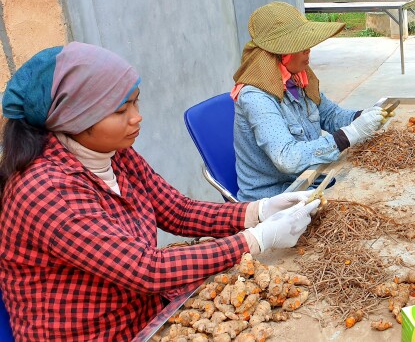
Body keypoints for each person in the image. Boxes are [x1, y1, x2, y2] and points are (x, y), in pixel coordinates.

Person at [0, 43, 318, 341]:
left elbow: (177, 211)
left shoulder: (112, 152)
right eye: (120, 110)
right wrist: (256, 239)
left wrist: (257, 210)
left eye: (135, 101)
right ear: (76, 119)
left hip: (148, 316)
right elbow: (147, 269)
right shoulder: (44, 190)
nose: (136, 117)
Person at [233, 2, 384, 202]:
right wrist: (349, 135)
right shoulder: (256, 97)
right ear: (281, 53)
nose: (309, 50)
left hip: (307, 180)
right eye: (300, 44)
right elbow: (287, 158)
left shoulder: (297, 79)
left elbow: (330, 115)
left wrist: (363, 116)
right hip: (273, 199)